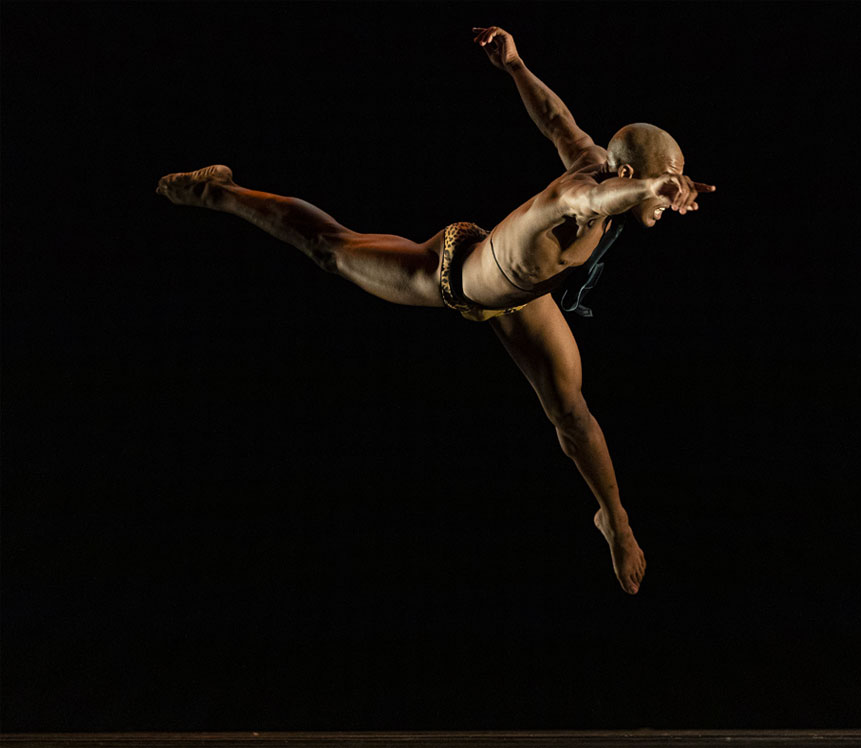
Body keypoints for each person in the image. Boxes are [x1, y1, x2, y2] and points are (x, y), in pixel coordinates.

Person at [155, 25, 716, 595]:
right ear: (628, 178)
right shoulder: (584, 195)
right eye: (666, 184)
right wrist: (649, 193)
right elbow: (596, 198)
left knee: (571, 412)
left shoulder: (595, 161)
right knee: (331, 249)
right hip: (453, 275)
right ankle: (218, 191)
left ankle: (615, 523)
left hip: (520, 299)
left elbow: (556, 120)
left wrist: (516, 66)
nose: (674, 196)